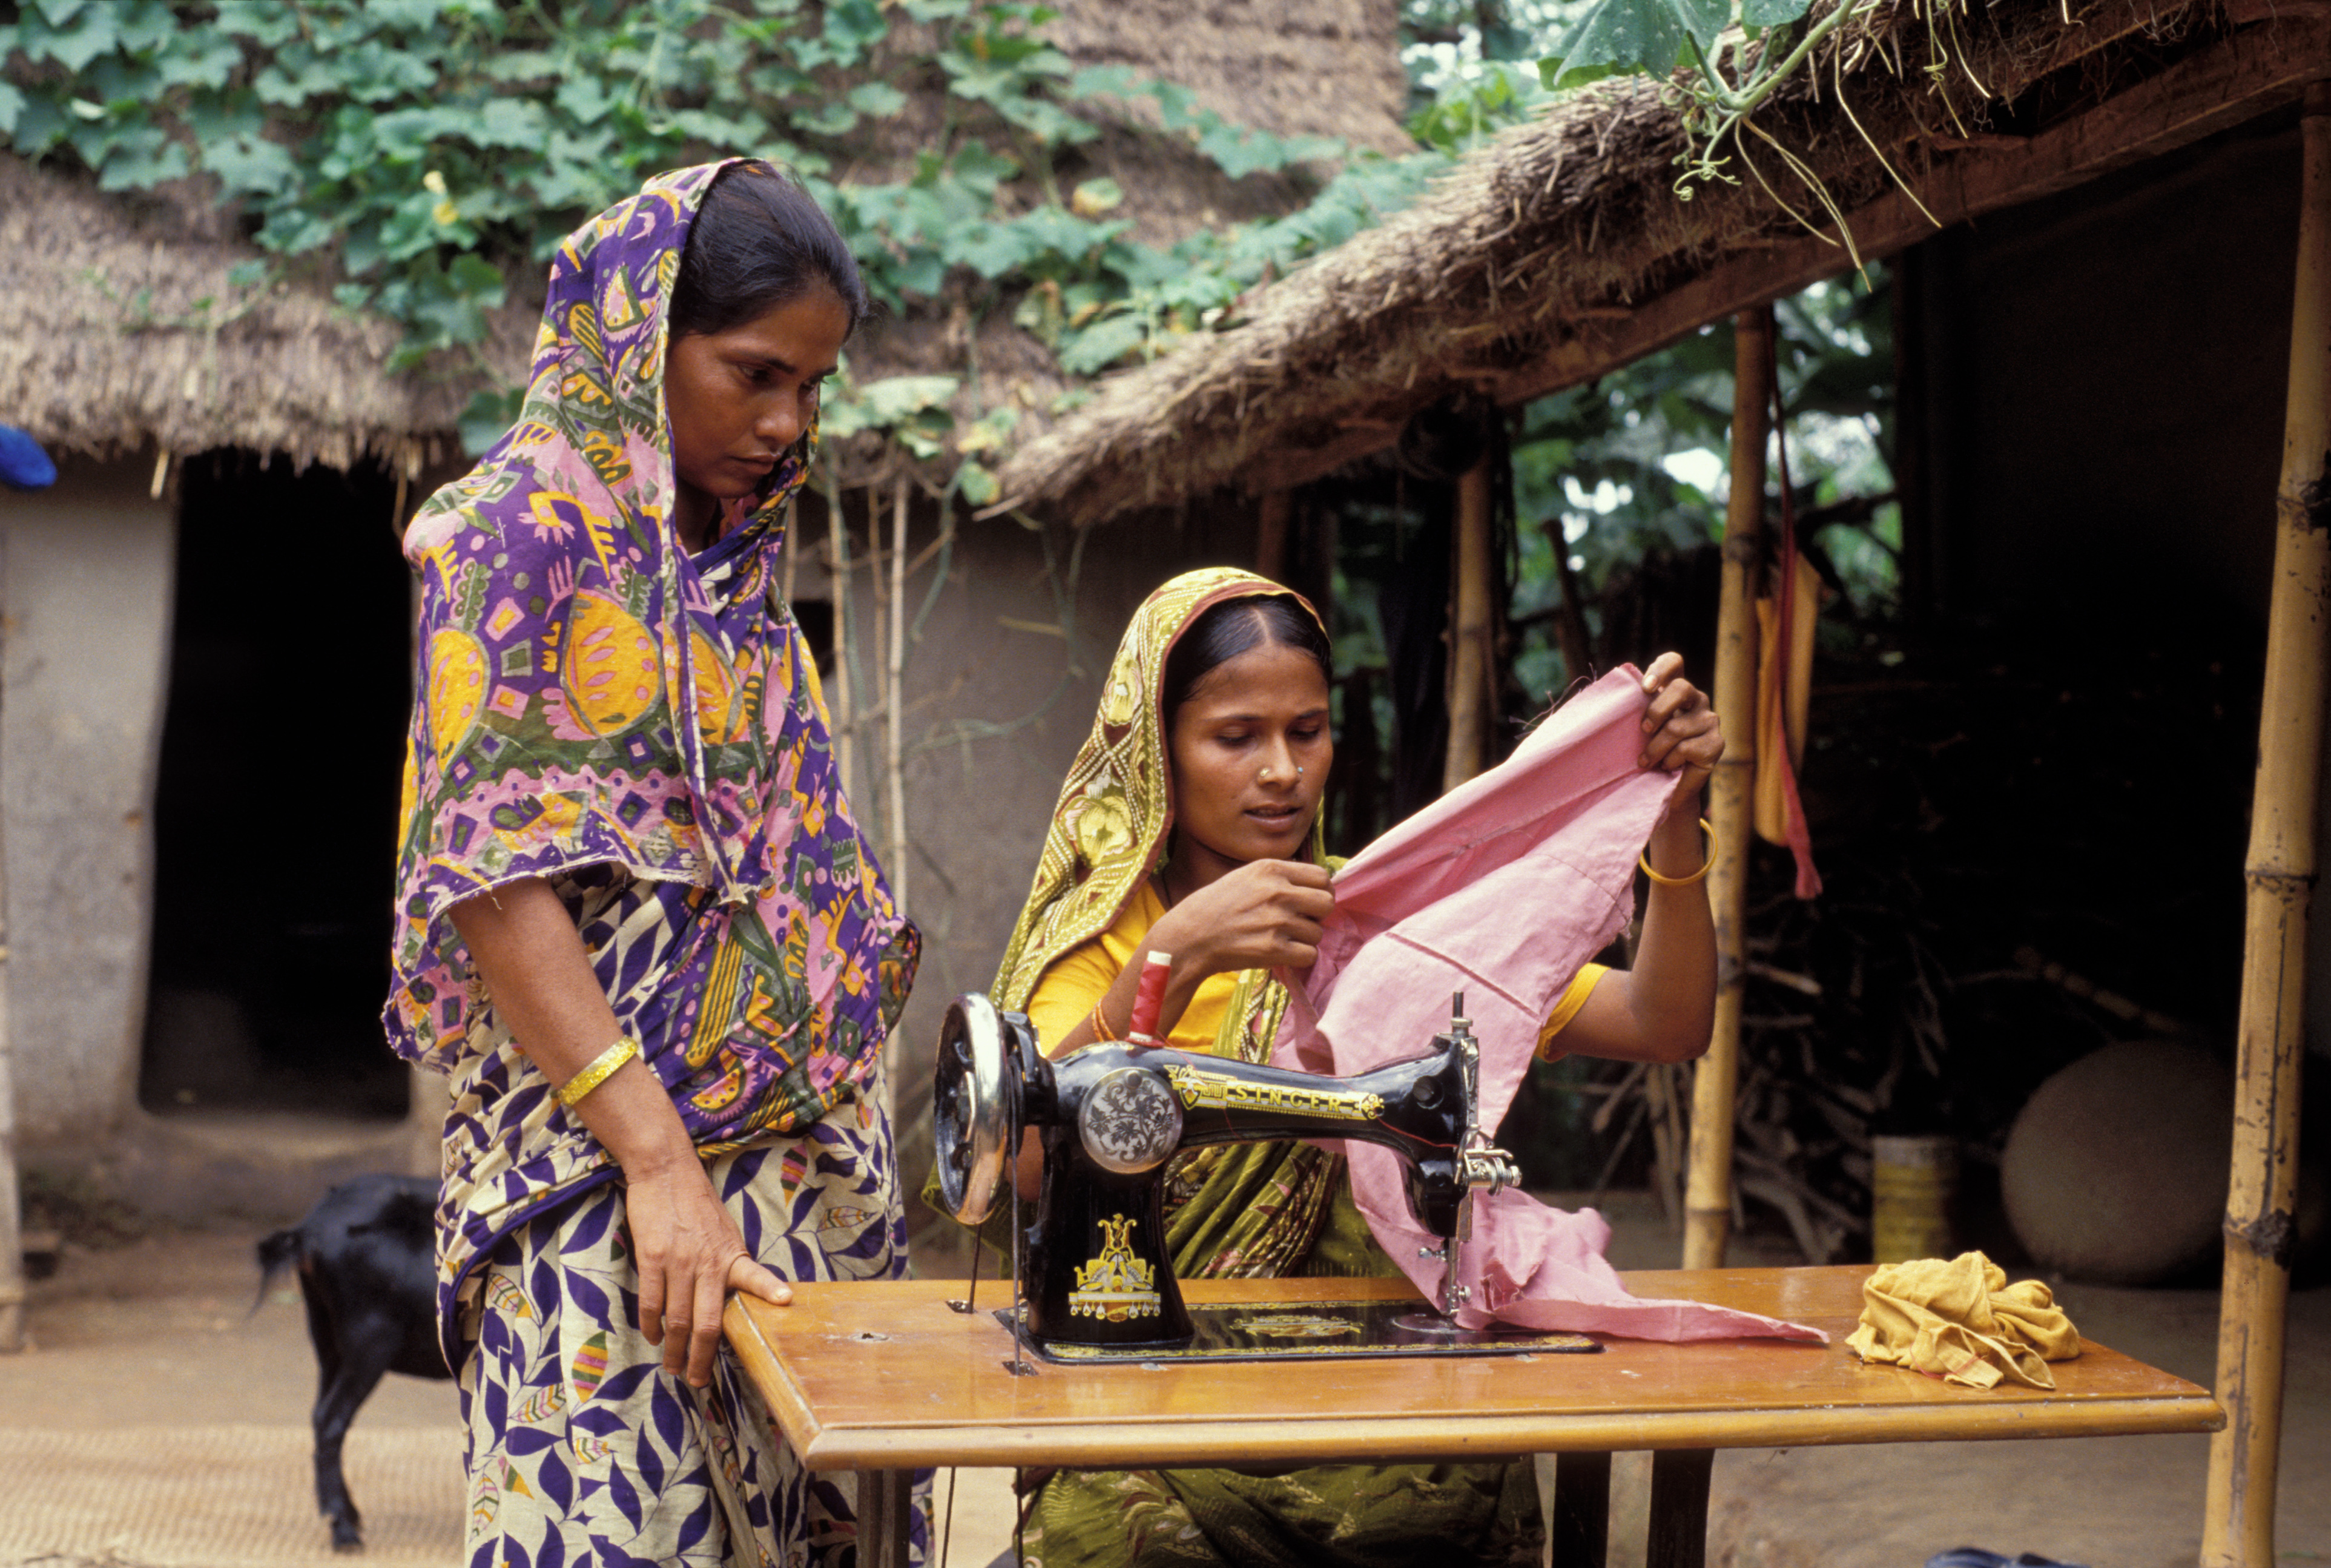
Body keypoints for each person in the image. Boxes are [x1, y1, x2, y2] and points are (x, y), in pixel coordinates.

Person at [387, 160, 920, 1568]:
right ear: (634, 342)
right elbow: (497, 880)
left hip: (798, 1189)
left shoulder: (734, 579)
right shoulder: (516, 540)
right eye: (754, 373)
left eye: (812, 384)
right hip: (609, 1189)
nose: (787, 420)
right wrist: (659, 1163)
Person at [987, 566, 1721, 1567]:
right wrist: (1173, 960)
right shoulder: (1104, 946)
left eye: (1308, 729)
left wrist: (1674, 817)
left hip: (1391, 1423)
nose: (1283, 770)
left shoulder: (1386, 926)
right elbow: (1019, 1168)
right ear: (1158, 754)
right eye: (1236, 736)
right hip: (1157, 1417)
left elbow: (1664, 1020)